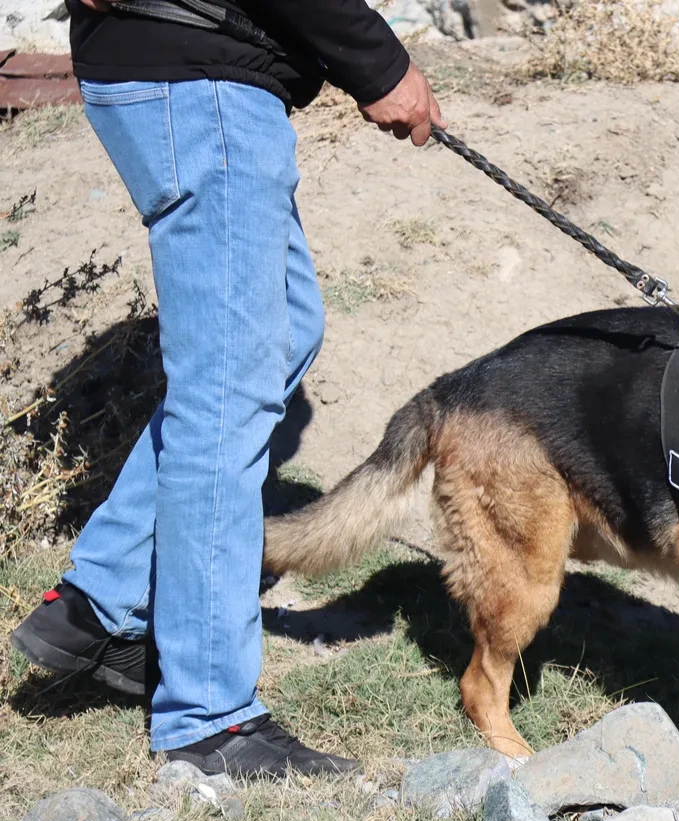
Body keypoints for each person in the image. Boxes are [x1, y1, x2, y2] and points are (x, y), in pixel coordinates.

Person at [8, 0, 445, 779]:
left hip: (169, 66)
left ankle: (100, 603)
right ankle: (209, 717)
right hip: (199, 81)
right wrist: (379, 63)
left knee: (280, 336)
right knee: (228, 393)